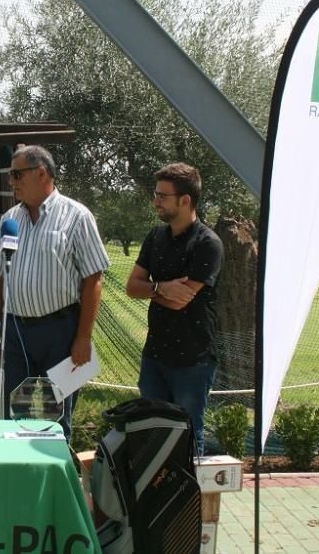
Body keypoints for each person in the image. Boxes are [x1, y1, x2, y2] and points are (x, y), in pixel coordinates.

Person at [0, 145, 109, 436]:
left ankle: (52, 477)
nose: (11, 182)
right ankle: (15, 478)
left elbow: (94, 280)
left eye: (16, 174)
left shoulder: (77, 216)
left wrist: (83, 338)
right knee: (14, 417)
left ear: (41, 173)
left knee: (57, 419)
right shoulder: (9, 221)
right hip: (15, 334)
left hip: (61, 334)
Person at [125, 162, 224, 455]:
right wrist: (160, 288)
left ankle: (190, 501)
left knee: (188, 438)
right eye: (156, 194)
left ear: (185, 201)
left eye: (162, 195)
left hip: (193, 362)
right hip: (154, 356)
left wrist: (153, 288)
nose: (155, 201)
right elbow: (132, 287)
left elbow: (181, 299)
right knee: (150, 434)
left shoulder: (208, 243)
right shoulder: (155, 237)